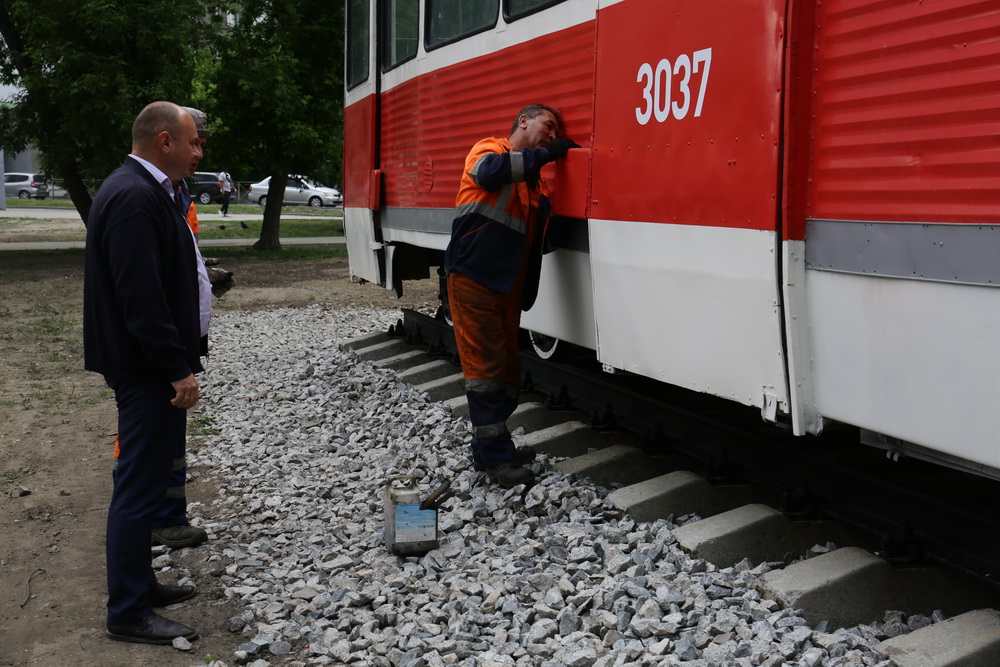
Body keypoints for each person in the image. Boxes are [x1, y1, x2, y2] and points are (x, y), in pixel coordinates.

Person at [84, 101, 208, 644]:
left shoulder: (137, 189)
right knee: (136, 489)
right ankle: (128, 611)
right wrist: (176, 368)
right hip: (146, 368)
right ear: (164, 142)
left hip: (145, 365)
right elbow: (142, 298)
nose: (197, 152)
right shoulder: (135, 196)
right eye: (192, 143)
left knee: (146, 478)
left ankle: (141, 584)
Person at [443, 104, 579, 488]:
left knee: (505, 374)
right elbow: (492, 176)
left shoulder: (536, 186)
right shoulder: (489, 151)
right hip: (473, 279)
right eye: (547, 126)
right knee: (485, 373)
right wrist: (549, 155)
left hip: (505, 288)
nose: (552, 135)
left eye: (555, 132)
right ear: (523, 121)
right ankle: (498, 461)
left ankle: (487, 449)